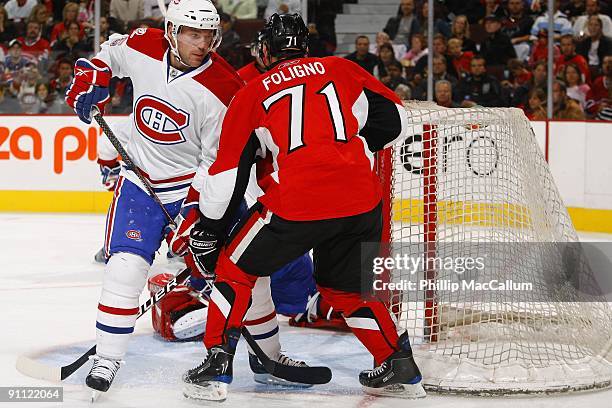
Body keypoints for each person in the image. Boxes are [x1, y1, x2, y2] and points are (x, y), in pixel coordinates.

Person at [64, 0, 309, 396]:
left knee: (247, 272)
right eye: (193, 34)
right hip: (140, 183)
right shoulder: (144, 43)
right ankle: (107, 358)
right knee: (124, 269)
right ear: (172, 32)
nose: (202, 43)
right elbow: (109, 54)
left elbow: (219, 162)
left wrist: (198, 213)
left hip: (195, 185)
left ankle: (271, 358)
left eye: (209, 35)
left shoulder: (226, 88)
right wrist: (94, 74)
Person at [181, 12, 425, 402]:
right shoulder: (342, 68)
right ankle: (398, 363)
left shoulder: (253, 92)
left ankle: (215, 367)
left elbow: (228, 176)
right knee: (345, 289)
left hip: (297, 203)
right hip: (362, 200)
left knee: (235, 269)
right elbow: (394, 120)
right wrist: (347, 150)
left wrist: (209, 231)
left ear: (265, 51)